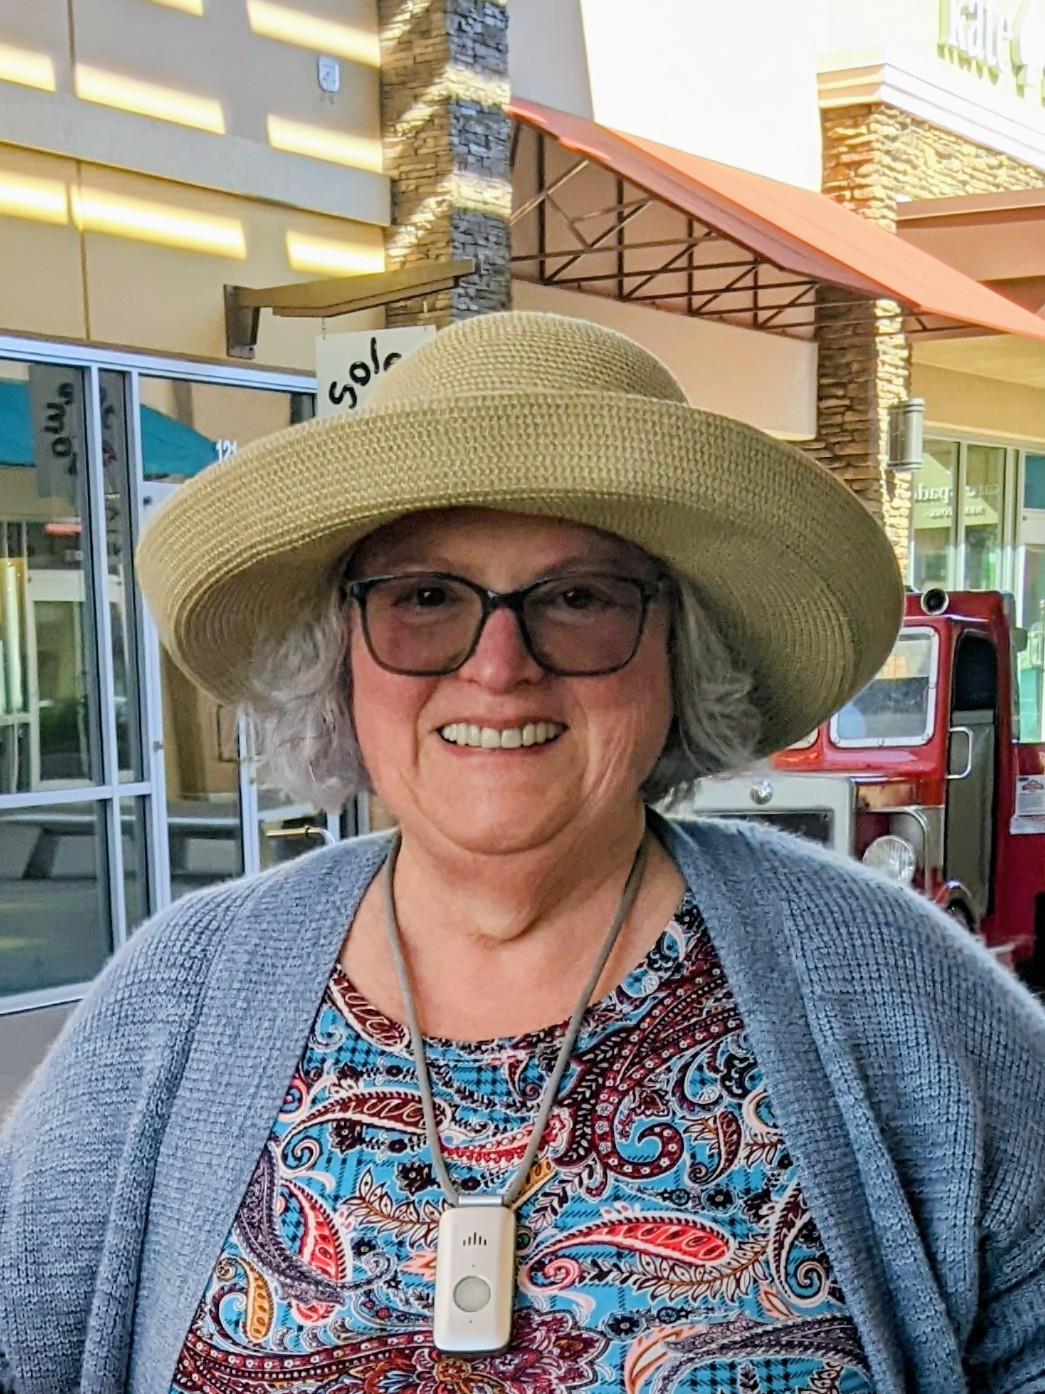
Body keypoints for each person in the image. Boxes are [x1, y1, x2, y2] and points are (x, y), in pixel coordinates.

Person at [1, 311, 1042, 1394]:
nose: (498, 667)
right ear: (341, 656)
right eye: (425, 598)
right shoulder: (182, 992)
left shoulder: (890, 985)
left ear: (678, 650)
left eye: (578, 599)